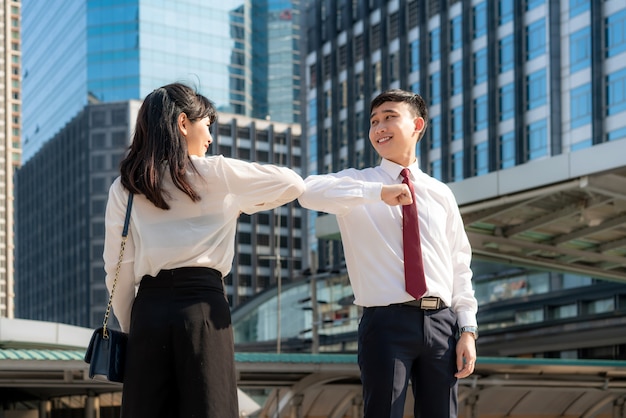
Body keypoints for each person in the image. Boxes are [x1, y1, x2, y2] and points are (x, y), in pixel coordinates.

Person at [103, 82, 305, 418]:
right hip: (202, 307)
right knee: (210, 408)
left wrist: (133, 328)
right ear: (184, 123)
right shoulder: (218, 173)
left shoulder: (128, 185)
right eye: (206, 125)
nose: (210, 138)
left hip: (148, 312)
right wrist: (242, 202)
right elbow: (293, 184)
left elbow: (118, 269)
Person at [298, 89, 478, 418]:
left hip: (442, 324)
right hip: (386, 322)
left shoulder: (441, 193)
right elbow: (308, 191)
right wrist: (378, 193)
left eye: (390, 117)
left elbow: (459, 266)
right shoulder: (358, 183)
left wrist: (467, 329)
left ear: (417, 125)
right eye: (374, 121)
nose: (379, 127)